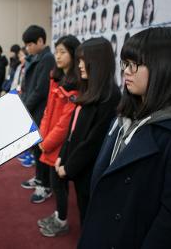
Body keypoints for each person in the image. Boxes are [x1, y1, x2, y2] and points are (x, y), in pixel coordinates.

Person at [77, 27, 171, 249]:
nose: (126, 72)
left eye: (134, 65)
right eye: (124, 64)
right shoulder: (124, 115)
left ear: (163, 67)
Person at [55, 37, 121, 228]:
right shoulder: (89, 89)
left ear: (98, 62)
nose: (80, 65)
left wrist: (69, 167)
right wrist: (62, 156)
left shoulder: (110, 96)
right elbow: (73, 130)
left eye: (84, 60)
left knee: (92, 221)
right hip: (79, 169)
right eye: (79, 60)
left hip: (91, 172)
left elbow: (93, 141)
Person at [36, 35, 81, 237]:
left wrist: (48, 142)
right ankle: (58, 214)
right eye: (57, 51)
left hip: (61, 145)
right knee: (56, 184)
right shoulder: (56, 77)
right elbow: (47, 111)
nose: (59, 56)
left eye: (63, 51)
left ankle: (62, 220)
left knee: (59, 184)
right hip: (49, 140)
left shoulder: (76, 84)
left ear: (74, 54)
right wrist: (41, 136)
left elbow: (65, 123)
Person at [20, 25, 56, 203]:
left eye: (30, 44)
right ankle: (39, 178)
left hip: (41, 111)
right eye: (26, 45)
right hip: (34, 109)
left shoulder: (47, 58)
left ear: (41, 41)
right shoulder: (36, 57)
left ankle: (45, 185)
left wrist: (24, 107)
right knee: (35, 147)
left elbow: (40, 90)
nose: (28, 48)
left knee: (41, 149)